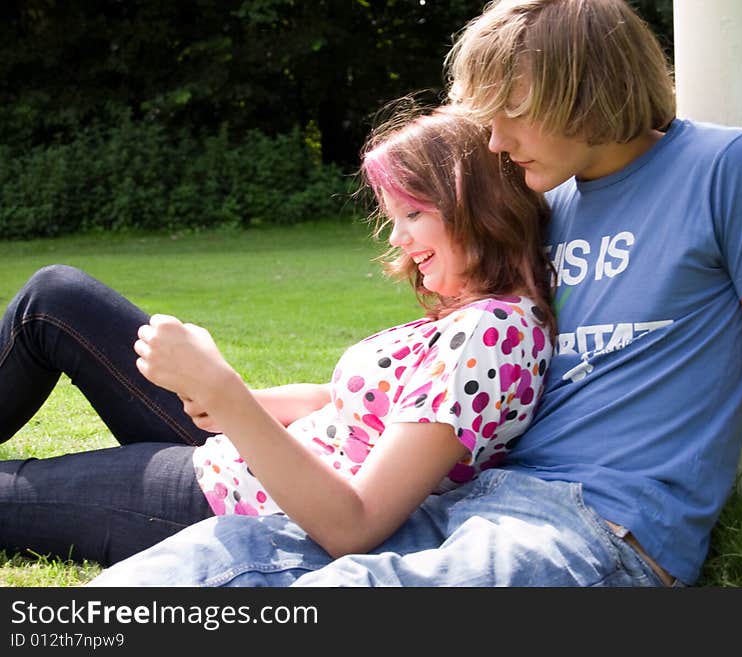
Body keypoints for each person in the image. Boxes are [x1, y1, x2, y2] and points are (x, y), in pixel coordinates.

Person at [90, 0, 742, 587]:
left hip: (604, 526)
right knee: (210, 559)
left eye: (512, 116)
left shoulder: (728, 170)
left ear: (585, 93)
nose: (494, 143)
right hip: (476, 493)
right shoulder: (549, 201)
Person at [0, 106, 556, 567]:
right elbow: (346, 403)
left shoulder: (494, 334)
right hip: (240, 448)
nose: (397, 237)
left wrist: (224, 392)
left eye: (412, 212)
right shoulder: (474, 316)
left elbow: (353, 524)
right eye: (392, 216)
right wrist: (233, 402)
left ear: (477, 207)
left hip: (227, 497)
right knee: (56, 297)